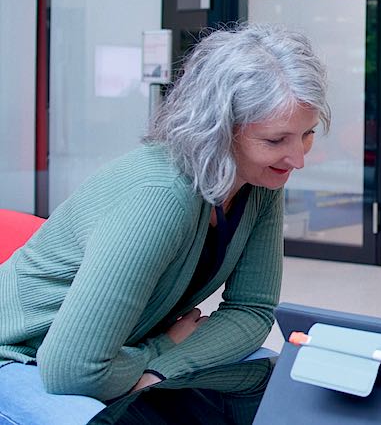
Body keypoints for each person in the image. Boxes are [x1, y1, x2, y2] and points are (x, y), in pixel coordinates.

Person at [0, 23, 330, 424]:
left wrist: (158, 372)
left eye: (307, 134)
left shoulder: (260, 181)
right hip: (20, 356)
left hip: (122, 349)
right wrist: (163, 348)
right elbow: (72, 370)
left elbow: (252, 311)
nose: (298, 159)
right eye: (275, 141)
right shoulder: (160, 195)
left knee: (278, 380)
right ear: (218, 130)